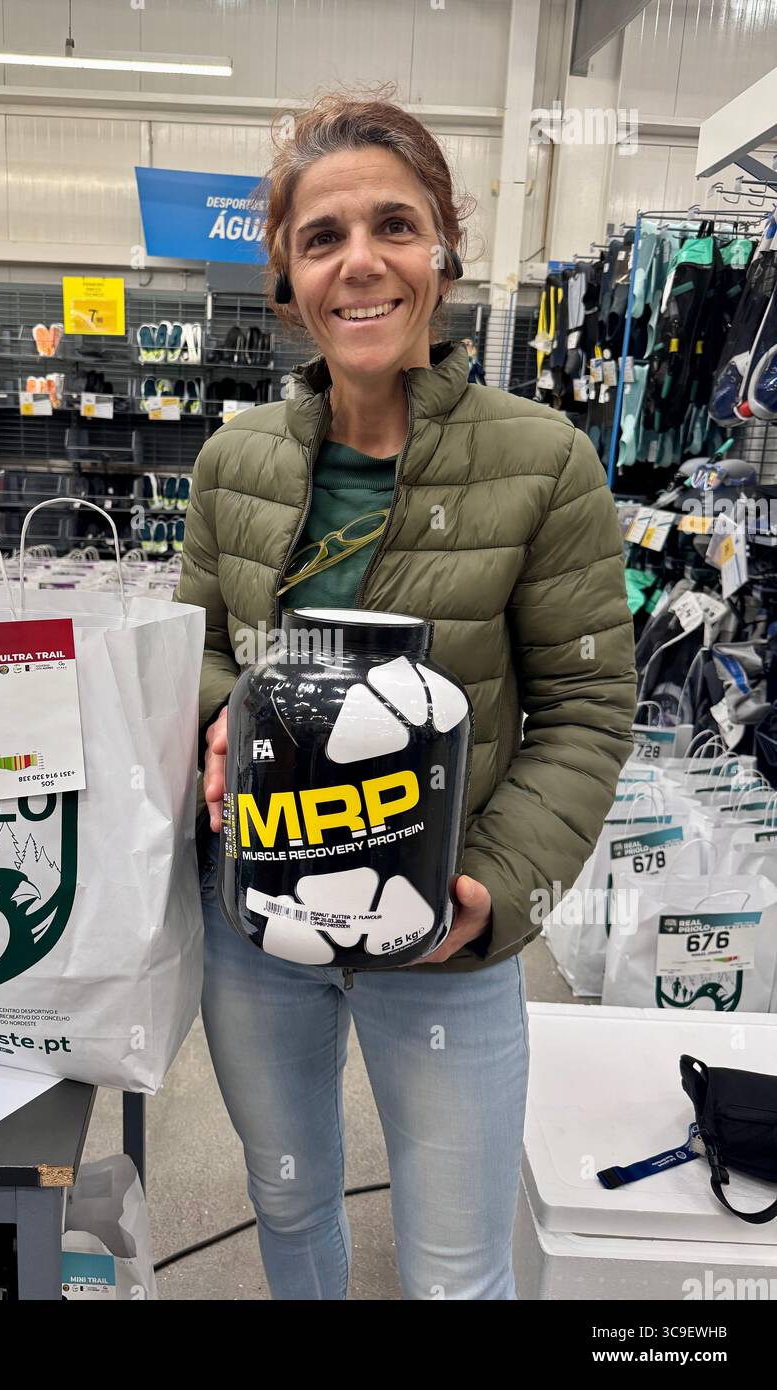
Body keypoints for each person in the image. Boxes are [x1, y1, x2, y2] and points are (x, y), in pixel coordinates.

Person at [175, 87, 636, 1300]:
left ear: (443, 252)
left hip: (444, 937)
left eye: (395, 225)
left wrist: (489, 894)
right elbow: (196, 653)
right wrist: (220, 713)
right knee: (284, 1196)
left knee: (453, 1265)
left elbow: (590, 711)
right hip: (256, 929)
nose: (360, 262)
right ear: (287, 276)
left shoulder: (544, 459)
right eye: (322, 238)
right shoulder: (236, 463)